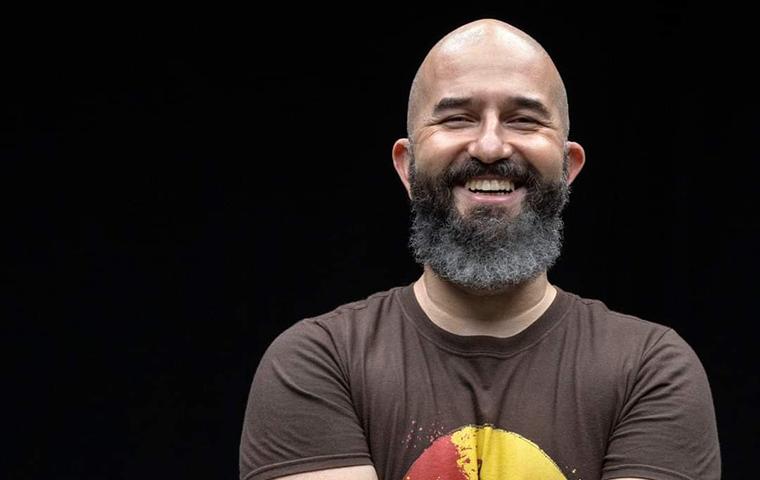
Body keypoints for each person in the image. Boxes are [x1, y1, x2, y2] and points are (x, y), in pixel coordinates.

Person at [239, 19, 720, 480]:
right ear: (407, 167)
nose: (490, 146)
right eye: (457, 118)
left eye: (524, 120)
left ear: (567, 168)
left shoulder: (652, 369)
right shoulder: (318, 361)